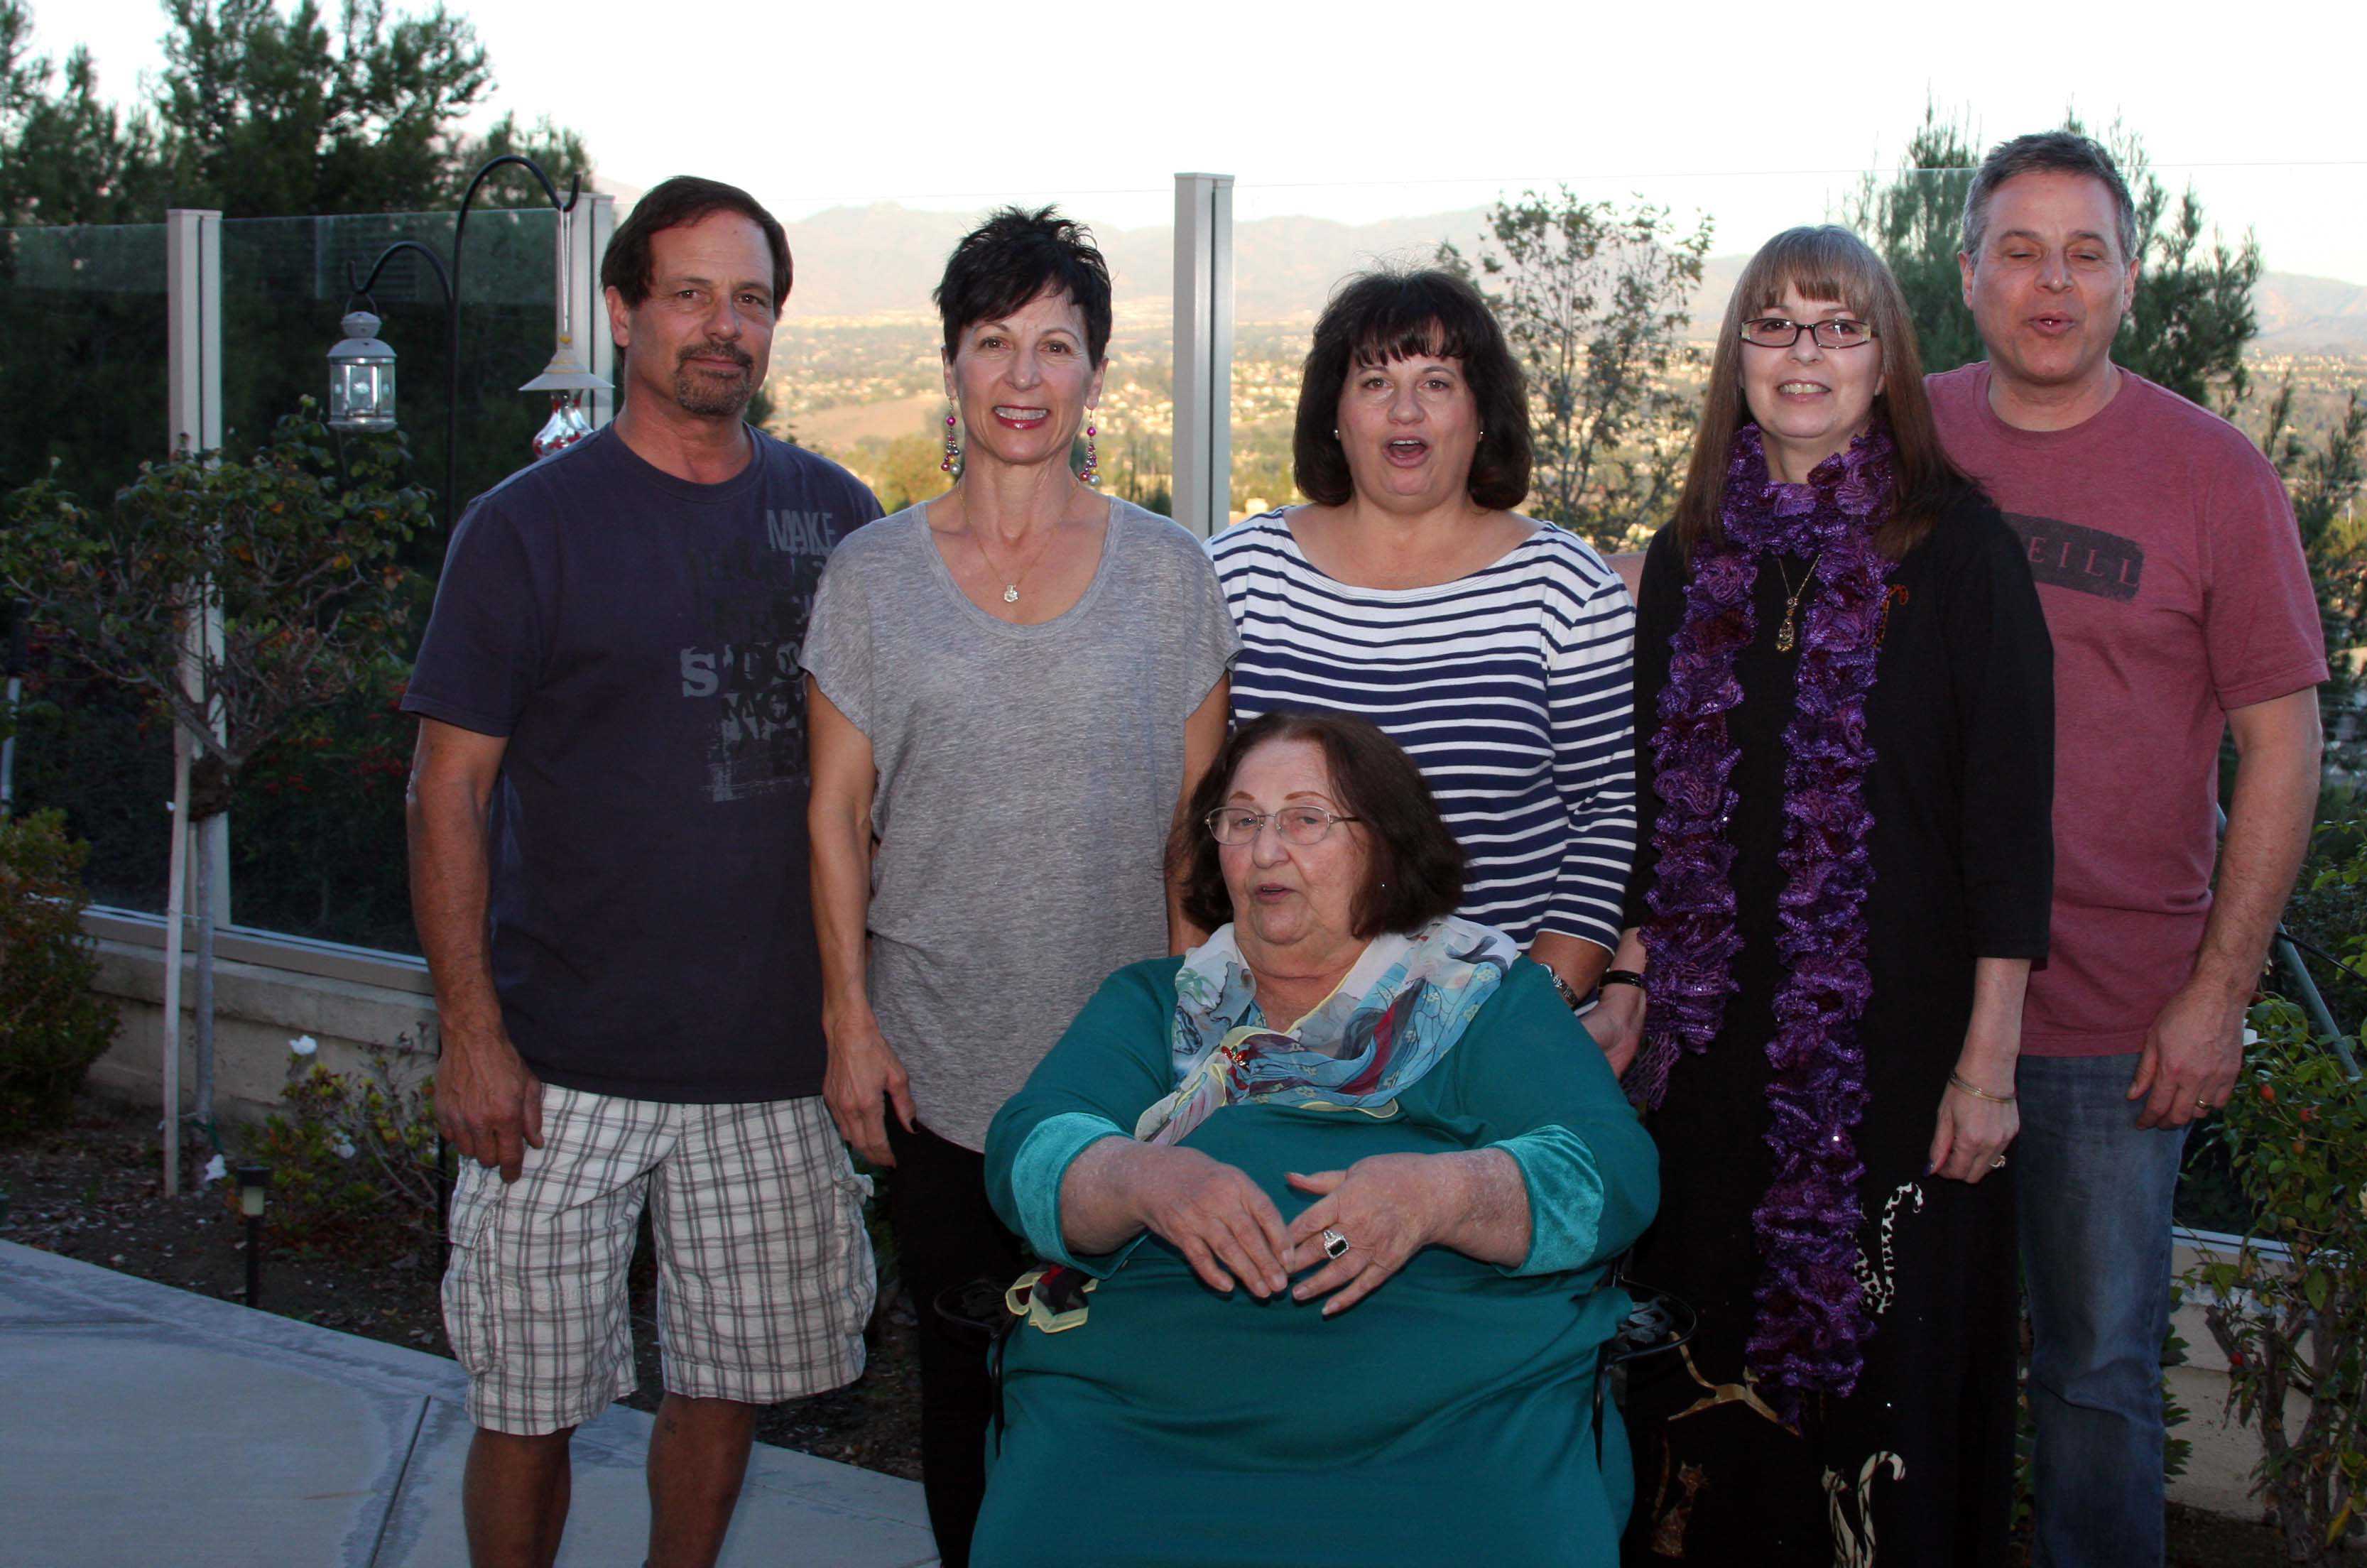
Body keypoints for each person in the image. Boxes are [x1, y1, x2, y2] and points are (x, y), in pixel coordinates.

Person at [403, 176, 883, 1568]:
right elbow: (447, 792)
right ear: (622, 313)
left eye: (751, 299)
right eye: (689, 295)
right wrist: (471, 1033)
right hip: (556, 1068)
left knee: (725, 1393)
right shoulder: (525, 527)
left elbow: (883, 783)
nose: (723, 326)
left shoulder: (839, 517)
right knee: (527, 1401)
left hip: (771, 1063)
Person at [1585, 224, 2054, 1564]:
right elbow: (1653, 804)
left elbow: (2008, 831)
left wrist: (1987, 1067)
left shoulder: (1959, 553)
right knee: (1705, 1382)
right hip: (1713, 1065)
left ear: (1886, 360)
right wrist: (1631, 983)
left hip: (1897, 1068)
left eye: (1839, 325)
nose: (1805, 353)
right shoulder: (1689, 556)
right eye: (1776, 323)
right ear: (1737, 356)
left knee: (1886, 1383)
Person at [969, 709, 1658, 1568]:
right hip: (1141, 1413)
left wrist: (1439, 1196)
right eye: (1242, 820)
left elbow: (1611, 1173)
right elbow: (1030, 1152)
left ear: (1386, 846)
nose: (1266, 851)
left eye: (1305, 819)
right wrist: (1143, 1179)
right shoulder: (1156, 1003)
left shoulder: (1482, 1001)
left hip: (1449, 1420)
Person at [802, 205, 1235, 1567]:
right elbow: (835, 816)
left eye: (1055, 345)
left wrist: (1202, 1052)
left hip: (1122, 1075)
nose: (1024, 375)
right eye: (994, 341)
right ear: (951, 364)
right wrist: (848, 1022)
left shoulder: (1170, 575)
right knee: (964, 1394)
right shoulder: (870, 577)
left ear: (1095, 372)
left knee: (1113, 1394)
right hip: (936, 1069)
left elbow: (1195, 840)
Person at [1926, 131, 2327, 1568]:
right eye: (2020, 251)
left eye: (2084, 253)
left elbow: (2284, 746)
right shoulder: (1900, 441)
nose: (2053, 283)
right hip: (1909, 1003)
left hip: (2116, 1023)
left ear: (2131, 280)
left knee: (2095, 1377)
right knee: (1899, 1350)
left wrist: (2219, 992)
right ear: (1967, 273)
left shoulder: (2213, 476)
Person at [1207, 266, 1636, 1007]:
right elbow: (1197, 807)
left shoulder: (1565, 588)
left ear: (1481, 413)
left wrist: (1537, 1008)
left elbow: (1611, 811)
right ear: (1334, 414)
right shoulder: (1238, 577)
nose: (1405, 410)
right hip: (1279, 1022)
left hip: (1501, 1023)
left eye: (1437, 383)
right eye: (1375, 382)